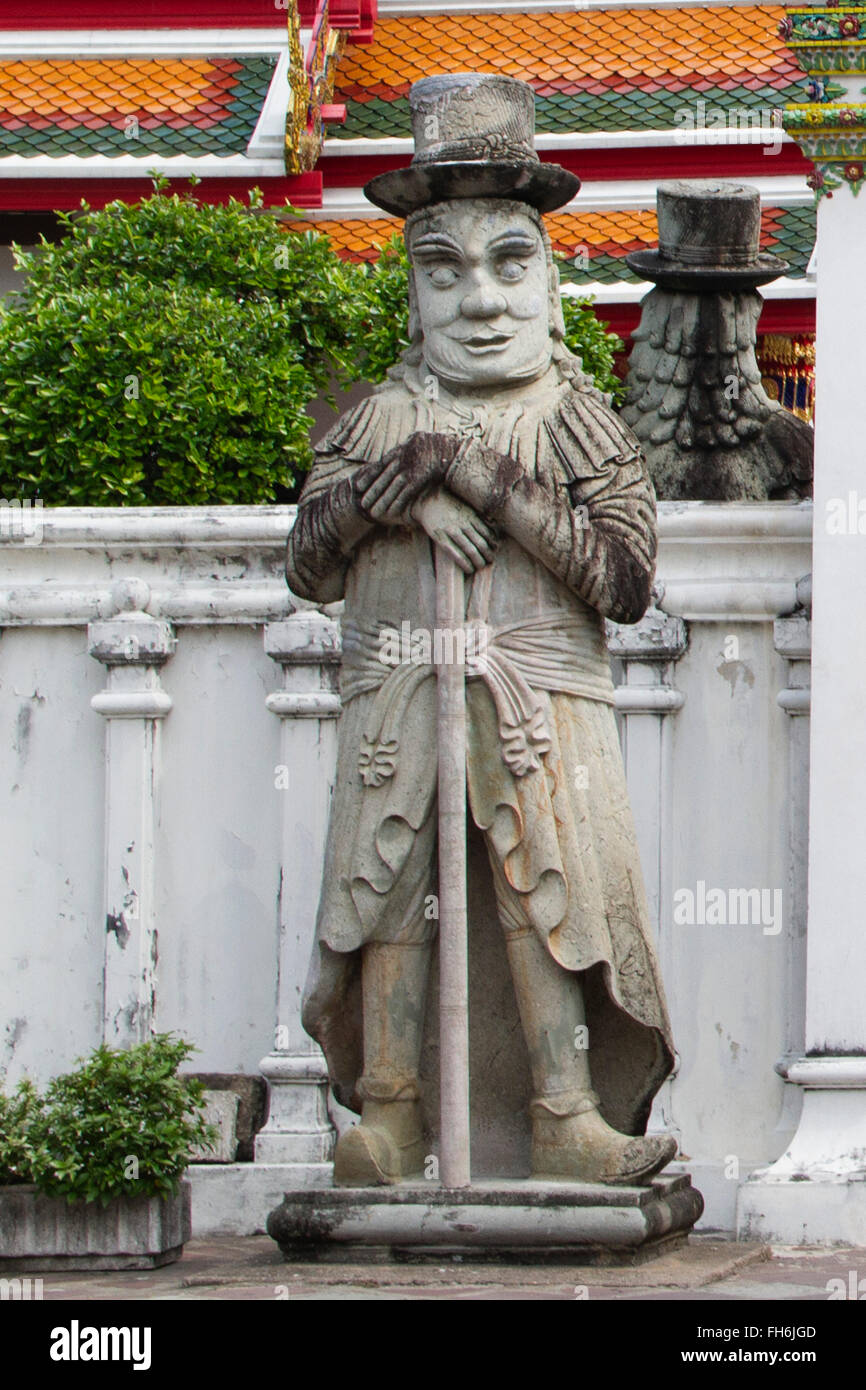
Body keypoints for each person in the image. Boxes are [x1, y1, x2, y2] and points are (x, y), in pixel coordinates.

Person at [286, 73, 677, 1186]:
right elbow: (308, 561)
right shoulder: (377, 415)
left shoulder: (571, 416)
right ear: (409, 294)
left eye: (509, 263)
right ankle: (391, 1109)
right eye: (440, 270)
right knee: (386, 888)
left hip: (534, 707)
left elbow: (621, 576)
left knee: (540, 889)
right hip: (397, 701)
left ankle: (563, 1108)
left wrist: (480, 473)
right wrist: (401, 480)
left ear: (549, 280)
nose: (478, 300)